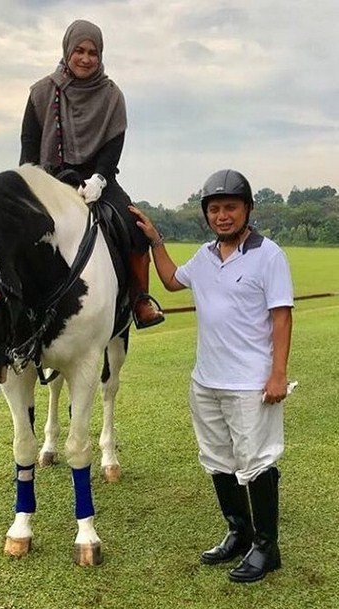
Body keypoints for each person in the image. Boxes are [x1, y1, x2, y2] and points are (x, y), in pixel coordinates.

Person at [130, 169, 294, 583]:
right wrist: (156, 243)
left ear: (247, 210)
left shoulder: (269, 254)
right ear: (207, 215)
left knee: (256, 462)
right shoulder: (204, 257)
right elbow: (169, 281)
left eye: (230, 208)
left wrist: (278, 374)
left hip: (250, 383)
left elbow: (281, 317)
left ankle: (266, 547)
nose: (222, 216)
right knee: (219, 460)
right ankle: (238, 534)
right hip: (206, 380)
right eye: (215, 209)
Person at [19, 19, 164, 329]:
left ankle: (139, 300)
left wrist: (99, 178)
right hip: (50, 178)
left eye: (93, 53)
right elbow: (29, 144)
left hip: (98, 179)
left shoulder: (112, 95)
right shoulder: (41, 92)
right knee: (16, 229)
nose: (86, 59)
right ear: (67, 50)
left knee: (134, 224)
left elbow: (114, 144)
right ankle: (13, 306)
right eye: (79, 51)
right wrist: (29, 186)